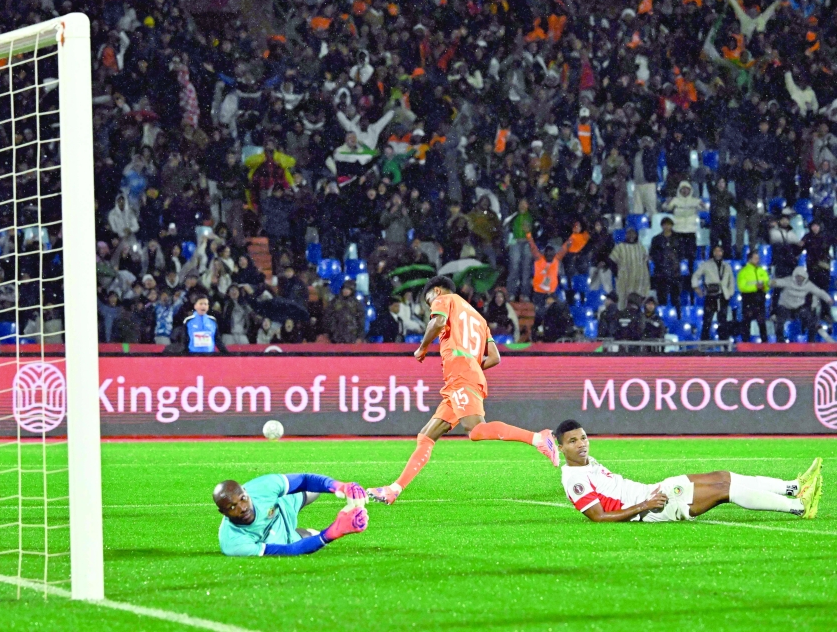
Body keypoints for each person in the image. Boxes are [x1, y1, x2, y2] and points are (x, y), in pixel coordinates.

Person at [366, 276, 558, 506]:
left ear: (436, 291)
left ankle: (539, 438)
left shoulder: (444, 299)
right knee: (426, 437)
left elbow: (437, 323)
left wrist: (422, 348)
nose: (430, 306)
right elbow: (495, 358)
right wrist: (473, 367)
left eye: (429, 302)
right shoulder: (480, 318)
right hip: (464, 374)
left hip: (461, 374)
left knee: (476, 430)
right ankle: (393, 490)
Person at [555, 420, 822, 522]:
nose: (582, 444)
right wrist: (645, 505)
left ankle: (793, 487)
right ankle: (798, 507)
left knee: (722, 476)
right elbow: (598, 517)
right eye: (573, 441)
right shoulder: (573, 479)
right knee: (723, 490)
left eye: (584, 438)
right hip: (652, 507)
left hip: (653, 492)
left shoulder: (587, 462)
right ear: (562, 446)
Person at [214, 474, 369, 556]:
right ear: (223, 512)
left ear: (246, 492)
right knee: (312, 536)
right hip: (279, 539)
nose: (242, 508)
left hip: (284, 505)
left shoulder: (262, 486)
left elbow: (305, 479)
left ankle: (363, 493)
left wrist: (340, 486)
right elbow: (290, 551)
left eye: (243, 499)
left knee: (315, 489)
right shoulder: (233, 543)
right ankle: (303, 533)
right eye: (232, 507)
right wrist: (332, 533)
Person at [771, 267, 834, 341]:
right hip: (785, 306)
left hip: (799, 308)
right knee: (779, 322)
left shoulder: (808, 285)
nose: (799, 279)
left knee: (812, 321)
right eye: (798, 277)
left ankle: (811, 342)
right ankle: (780, 342)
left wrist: (828, 299)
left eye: (801, 277)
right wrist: (772, 282)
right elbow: (778, 282)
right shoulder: (788, 281)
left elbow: (819, 292)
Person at [692, 245, 736, 340]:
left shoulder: (727, 266)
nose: (717, 253)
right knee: (707, 321)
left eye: (719, 251)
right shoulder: (706, 264)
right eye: (715, 251)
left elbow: (731, 281)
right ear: (713, 252)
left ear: (722, 252)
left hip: (723, 295)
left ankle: (724, 343)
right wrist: (696, 287)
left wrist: (730, 293)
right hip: (711, 295)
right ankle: (704, 343)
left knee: (723, 321)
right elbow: (696, 275)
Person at [526, 223, 571, 314]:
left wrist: (572, 238)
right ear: (544, 254)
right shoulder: (539, 259)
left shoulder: (556, 259)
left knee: (557, 310)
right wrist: (528, 234)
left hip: (551, 293)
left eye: (552, 254)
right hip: (539, 293)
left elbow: (564, 249)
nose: (550, 256)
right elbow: (533, 247)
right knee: (540, 312)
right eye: (548, 254)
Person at [609, 228, 650, 309]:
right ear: (626, 235)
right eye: (629, 233)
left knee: (637, 301)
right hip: (624, 280)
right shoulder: (620, 247)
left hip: (639, 280)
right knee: (623, 301)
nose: (631, 235)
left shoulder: (641, 247)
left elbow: (646, 263)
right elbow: (612, 261)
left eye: (633, 233)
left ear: (636, 235)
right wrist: (616, 274)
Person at [736, 251, 770, 342]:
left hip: (760, 299)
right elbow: (742, 287)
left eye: (758, 258)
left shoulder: (762, 271)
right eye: (755, 258)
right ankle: (745, 343)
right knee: (746, 323)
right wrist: (755, 287)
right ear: (750, 259)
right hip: (748, 299)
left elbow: (767, 283)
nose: (757, 260)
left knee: (762, 323)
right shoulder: (743, 272)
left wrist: (764, 287)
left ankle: (765, 343)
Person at [650, 217, 681, 312]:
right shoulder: (656, 239)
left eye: (669, 224)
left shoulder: (678, 238)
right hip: (660, 271)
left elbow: (681, 253)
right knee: (661, 297)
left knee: (675, 297)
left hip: (674, 271)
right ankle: (662, 316)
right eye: (665, 224)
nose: (667, 226)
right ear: (662, 226)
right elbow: (652, 253)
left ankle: (678, 317)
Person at [769, 211, 802, 279]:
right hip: (780, 262)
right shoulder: (774, 231)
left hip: (790, 263)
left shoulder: (792, 233)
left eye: (787, 220)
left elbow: (797, 247)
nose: (785, 222)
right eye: (783, 220)